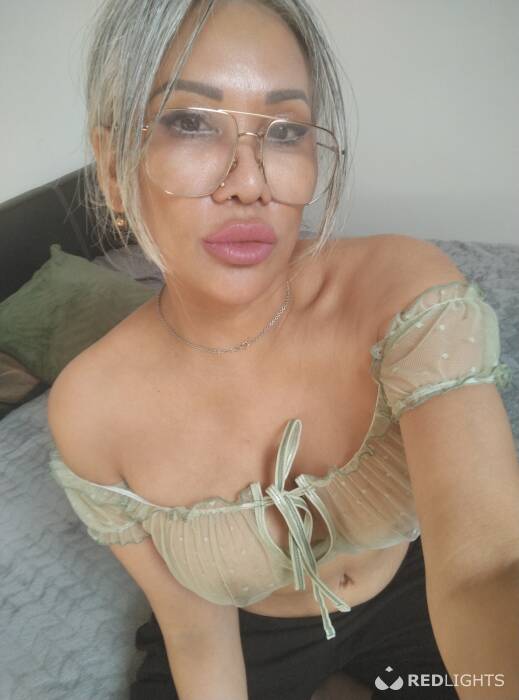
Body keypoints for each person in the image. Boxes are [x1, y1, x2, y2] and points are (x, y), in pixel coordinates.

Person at [47, 1, 519, 699]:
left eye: (285, 131)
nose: (250, 181)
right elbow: (195, 631)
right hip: (252, 634)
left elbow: (486, 567)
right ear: (115, 171)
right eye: (190, 122)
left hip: (414, 595)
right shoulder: (90, 410)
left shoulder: (401, 291)